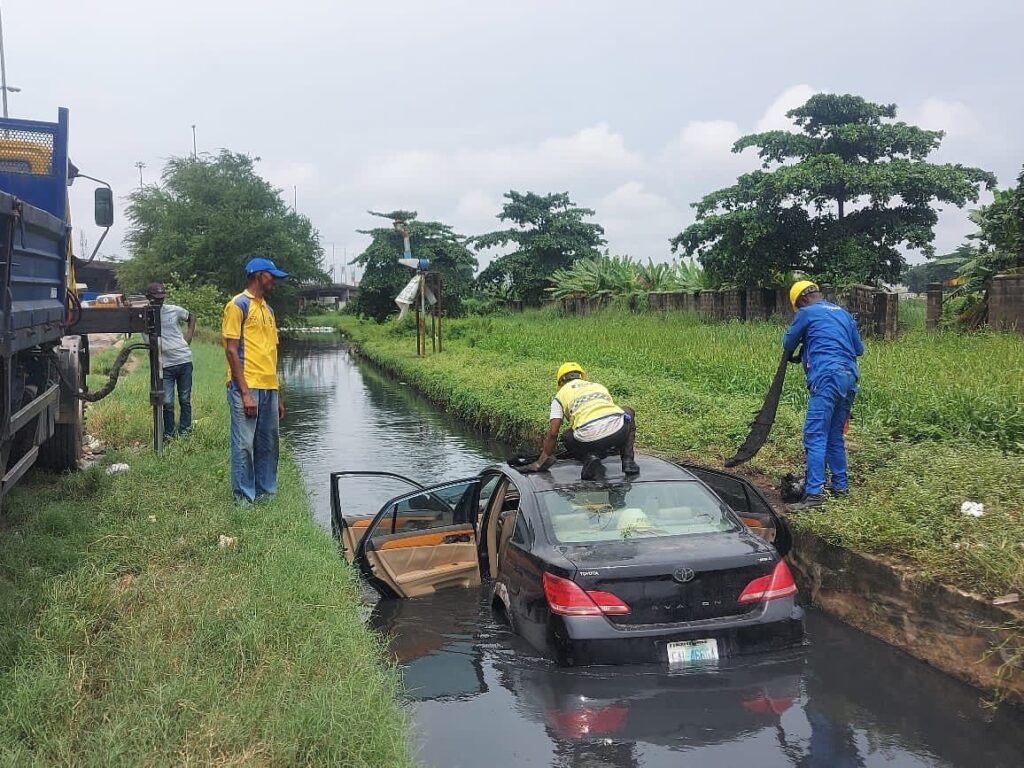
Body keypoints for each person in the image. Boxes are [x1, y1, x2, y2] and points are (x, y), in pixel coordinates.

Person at [783, 280, 864, 510]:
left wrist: (803, 342)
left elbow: (788, 342)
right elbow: (859, 349)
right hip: (849, 379)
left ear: (802, 301)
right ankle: (840, 488)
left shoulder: (806, 313)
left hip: (827, 378)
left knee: (815, 436)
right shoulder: (845, 314)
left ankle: (814, 497)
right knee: (834, 436)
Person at [222, 256, 288, 503]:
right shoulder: (238, 305)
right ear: (259, 275)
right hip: (246, 385)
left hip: (269, 386)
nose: (275, 281)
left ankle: (266, 492)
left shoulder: (268, 310)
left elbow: (271, 353)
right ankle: (243, 498)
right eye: (272, 276)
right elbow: (231, 350)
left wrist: (278, 395)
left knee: (269, 444)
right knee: (244, 445)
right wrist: (246, 392)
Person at [521, 362, 639, 480]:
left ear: (560, 381)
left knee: (567, 436)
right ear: (581, 376)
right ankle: (628, 461)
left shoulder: (560, 396)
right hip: (618, 432)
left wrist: (540, 463)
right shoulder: (599, 386)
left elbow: (553, 433)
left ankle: (590, 458)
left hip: (587, 439)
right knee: (627, 411)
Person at [147, 282, 197, 438]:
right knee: (167, 402)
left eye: (161, 298)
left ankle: (185, 432)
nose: (159, 301)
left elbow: (191, 317)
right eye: (156, 299)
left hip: (183, 360)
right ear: (148, 298)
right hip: (165, 364)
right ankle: (169, 434)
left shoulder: (173, 310)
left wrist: (188, 337)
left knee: (184, 399)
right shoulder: (146, 315)